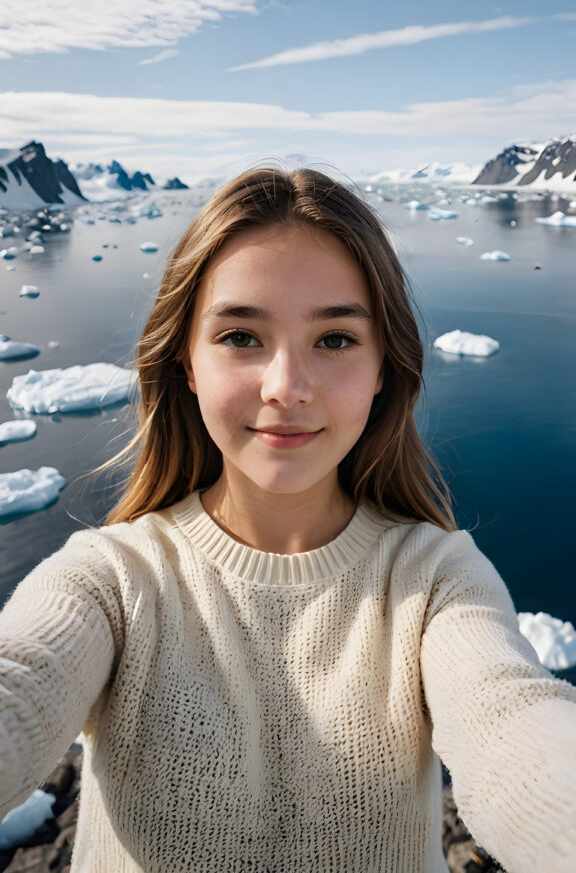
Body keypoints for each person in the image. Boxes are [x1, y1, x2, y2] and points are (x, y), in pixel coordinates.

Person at [0, 166, 575, 873]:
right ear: (185, 361)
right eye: (242, 336)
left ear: (383, 368)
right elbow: (19, 682)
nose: (287, 388)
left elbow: (511, 723)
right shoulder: (112, 581)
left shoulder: (436, 584)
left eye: (334, 340)